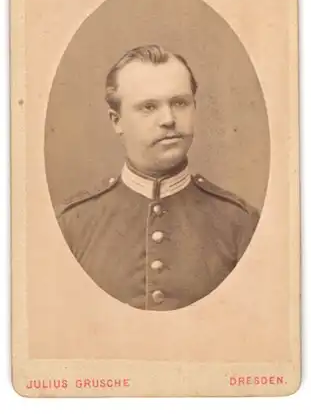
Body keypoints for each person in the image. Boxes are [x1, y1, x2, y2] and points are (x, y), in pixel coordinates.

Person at [57, 44, 259, 311]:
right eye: (149, 107)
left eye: (179, 103)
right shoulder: (71, 225)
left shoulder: (241, 223)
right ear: (116, 120)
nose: (168, 119)